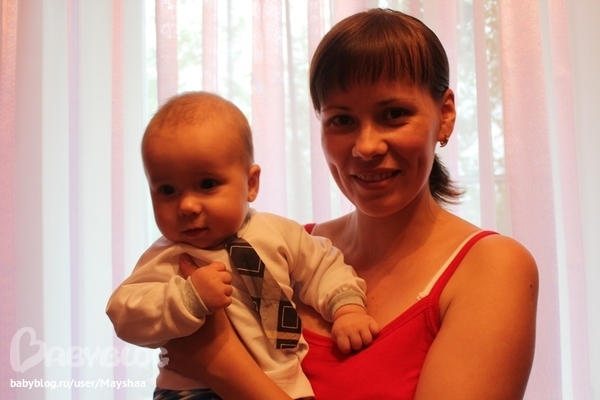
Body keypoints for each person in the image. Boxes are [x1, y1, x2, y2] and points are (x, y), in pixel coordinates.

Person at [160, 8, 539, 400]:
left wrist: (220, 364)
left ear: (445, 115)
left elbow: (209, 360)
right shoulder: (285, 250)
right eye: (342, 120)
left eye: (394, 114)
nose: (366, 146)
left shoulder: (491, 267)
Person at [106, 91, 379, 399]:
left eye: (207, 184)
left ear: (251, 184)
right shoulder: (168, 256)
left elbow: (323, 266)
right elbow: (125, 314)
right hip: (192, 390)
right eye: (167, 190)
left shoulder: (279, 232)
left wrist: (347, 309)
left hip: (285, 386)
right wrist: (187, 298)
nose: (187, 206)